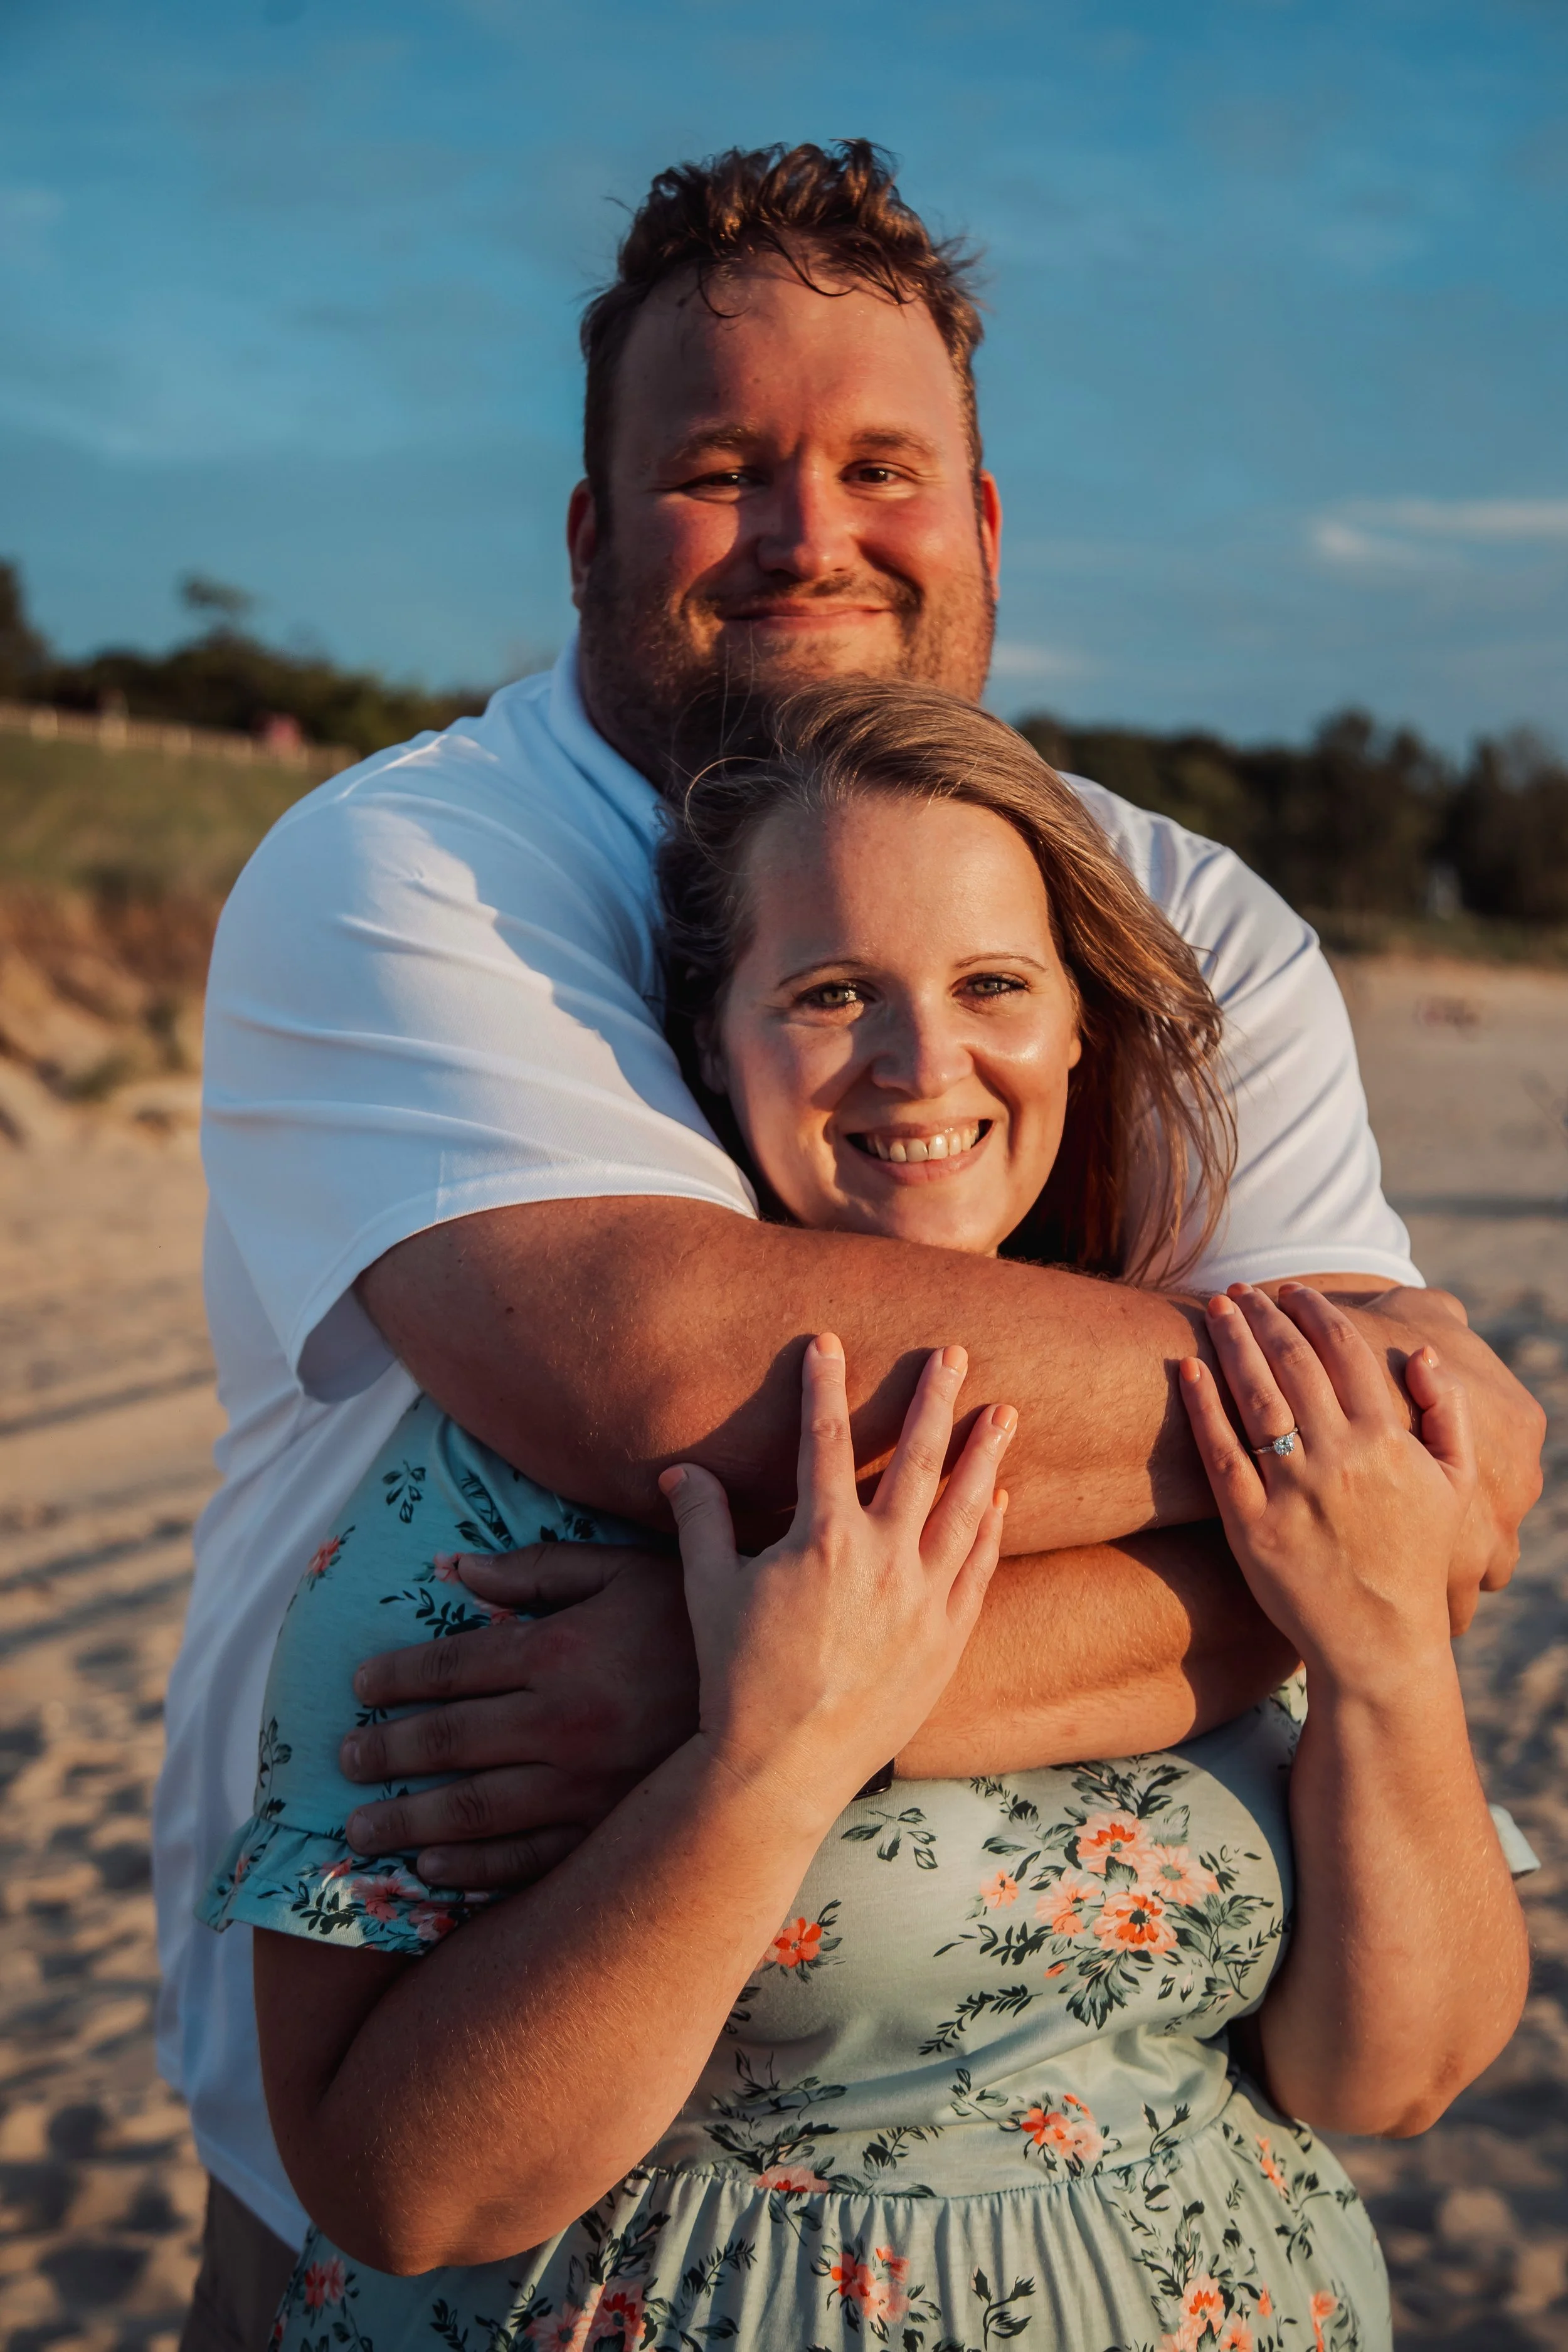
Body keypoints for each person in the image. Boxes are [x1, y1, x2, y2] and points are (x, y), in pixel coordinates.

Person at [156, 140, 1544, 2350]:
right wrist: (1331, 1450)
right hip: (515, 2195)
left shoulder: (1177, 916)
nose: (814, 533)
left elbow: (1420, 1523)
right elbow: (658, 1366)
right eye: (723, 469)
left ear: (981, 528)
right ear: (595, 534)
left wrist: (716, 1684)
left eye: (883, 466)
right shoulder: (419, 863)